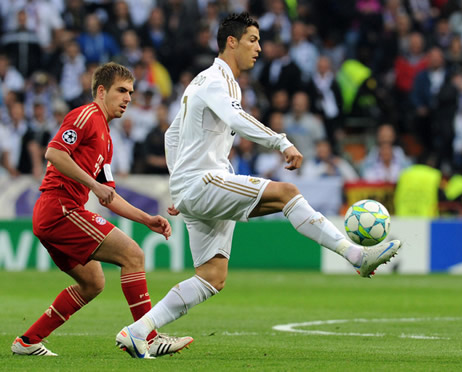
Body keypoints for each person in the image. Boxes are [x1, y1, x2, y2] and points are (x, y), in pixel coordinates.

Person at [116, 13, 401, 359]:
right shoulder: (215, 80)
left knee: (212, 277)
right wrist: (282, 142)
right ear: (231, 42)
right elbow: (235, 118)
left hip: (195, 184)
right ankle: (356, 255)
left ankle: (138, 331)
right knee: (287, 193)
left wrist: (179, 185)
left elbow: (171, 135)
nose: (259, 48)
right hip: (203, 181)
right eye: (252, 40)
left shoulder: (203, 83)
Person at [11, 62, 192, 357]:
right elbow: (54, 153)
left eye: (130, 93)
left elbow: (109, 195)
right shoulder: (85, 115)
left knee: (93, 283)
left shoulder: (106, 140)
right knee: (133, 254)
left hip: (56, 214)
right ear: (101, 90)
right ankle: (149, 336)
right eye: (121, 90)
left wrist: (147, 219)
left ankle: (27, 342)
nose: (128, 98)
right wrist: (92, 185)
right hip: (61, 209)